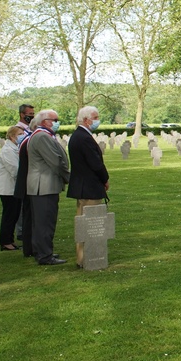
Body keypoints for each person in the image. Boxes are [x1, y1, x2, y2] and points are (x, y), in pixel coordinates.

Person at [66, 106, 109, 268]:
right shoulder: (83, 137)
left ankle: (82, 257)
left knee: (83, 222)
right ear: (86, 119)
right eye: (95, 117)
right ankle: (88, 257)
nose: (98, 120)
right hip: (89, 187)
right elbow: (95, 164)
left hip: (82, 186)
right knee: (91, 225)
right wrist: (105, 178)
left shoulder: (78, 135)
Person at [26, 109, 70, 265]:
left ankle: (42, 251)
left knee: (42, 221)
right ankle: (45, 255)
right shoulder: (42, 136)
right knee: (45, 222)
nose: (57, 122)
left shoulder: (41, 135)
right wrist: (68, 177)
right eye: (55, 119)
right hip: (43, 185)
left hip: (42, 185)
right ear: (45, 121)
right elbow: (56, 161)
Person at [0, 126, 23, 251]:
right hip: (7, 188)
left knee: (14, 214)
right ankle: (5, 241)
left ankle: (9, 240)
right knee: (9, 215)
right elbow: (15, 170)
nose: (22, 135)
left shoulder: (14, 148)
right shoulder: (7, 150)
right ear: (12, 136)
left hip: (13, 188)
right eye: (20, 134)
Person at [14, 103, 35, 240]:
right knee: (22, 205)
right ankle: (22, 231)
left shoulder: (32, 129)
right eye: (30, 114)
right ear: (22, 115)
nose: (32, 116)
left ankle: (28, 229)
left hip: (32, 171)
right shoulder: (18, 130)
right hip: (23, 171)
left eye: (33, 114)